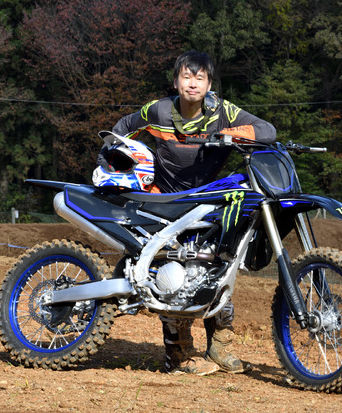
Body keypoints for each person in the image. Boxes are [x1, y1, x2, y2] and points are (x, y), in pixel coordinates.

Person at [98, 51, 276, 376]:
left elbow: (267, 130)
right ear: (176, 80)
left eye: (200, 78)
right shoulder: (158, 110)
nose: (192, 84)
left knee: (217, 270)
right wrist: (112, 156)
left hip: (209, 200)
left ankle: (221, 346)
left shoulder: (224, 112)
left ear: (209, 84)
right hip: (164, 202)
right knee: (172, 275)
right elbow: (124, 126)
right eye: (186, 76)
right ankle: (177, 355)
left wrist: (232, 134)